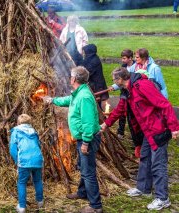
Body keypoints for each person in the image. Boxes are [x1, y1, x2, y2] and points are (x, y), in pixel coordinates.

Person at [101, 67, 179, 211]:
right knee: (145, 158)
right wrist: (106, 124)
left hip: (158, 129)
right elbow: (120, 109)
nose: (114, 84)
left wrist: (174, 127)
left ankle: (163, 198)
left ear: (121, 79)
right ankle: (144, 189)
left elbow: (164, 104)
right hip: (147, 132)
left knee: (158, 164)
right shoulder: (127, 91)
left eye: (114, 80)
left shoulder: (143, 86)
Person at [43, 66, 102, 213]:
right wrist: (53, 100)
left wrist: (86, 142)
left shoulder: (84, 97)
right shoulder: (79, 93)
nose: (70, 78)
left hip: (86, 139)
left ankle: (96, 206)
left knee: (88, 172)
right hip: (82, 139)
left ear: (74, 79)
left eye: (71, 76)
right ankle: (82, 193)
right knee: (83, 167)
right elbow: (69, 100)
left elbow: (88, 123)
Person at [9, 114, 44, 213]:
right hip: (37, 160)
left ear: (18, 122)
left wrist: (17, 160)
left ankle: (22, 207)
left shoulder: (16, 131)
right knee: (37, 180)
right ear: (29, 122)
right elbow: (38, 145)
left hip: (24, 161)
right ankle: (40, 202)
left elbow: (12, 149)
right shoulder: (34, 132)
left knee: (22, 183)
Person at [82, 44, 109, 109]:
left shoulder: (94, 61)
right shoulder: (92, 58)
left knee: (96, 104)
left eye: (85, 52)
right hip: (95, 84)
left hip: (96, 85)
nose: (83, 54)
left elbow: (87, 72)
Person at [117, 49, 135, 139]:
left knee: (132, 115)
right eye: (122, 58)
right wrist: (115, 86)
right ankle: (120, 132)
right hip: (124, 92)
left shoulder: (136, 67)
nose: (122, 60)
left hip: (132, 93)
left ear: (130, 58)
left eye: (124, 58)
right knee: (122, 112)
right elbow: (120, 79)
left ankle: (135, 135)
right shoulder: (123, 66)